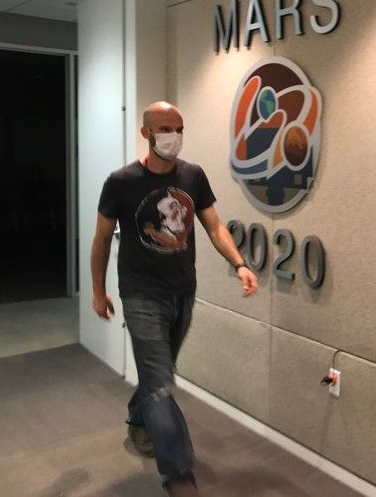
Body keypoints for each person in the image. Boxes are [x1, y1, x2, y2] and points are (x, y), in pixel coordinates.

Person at [90, 101, 258, 496]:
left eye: (179, 127)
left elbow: (214, 226)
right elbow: (100, 240)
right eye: (165, 128)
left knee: (156, 377)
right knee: (162, 384)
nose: (174, 136)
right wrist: (98, 291)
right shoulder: (121, 181)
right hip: (141, 294)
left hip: (183, 290)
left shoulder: (193, 175)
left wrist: (240, 264)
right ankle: (179, 475)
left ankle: (137, 420)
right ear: (147, 133)